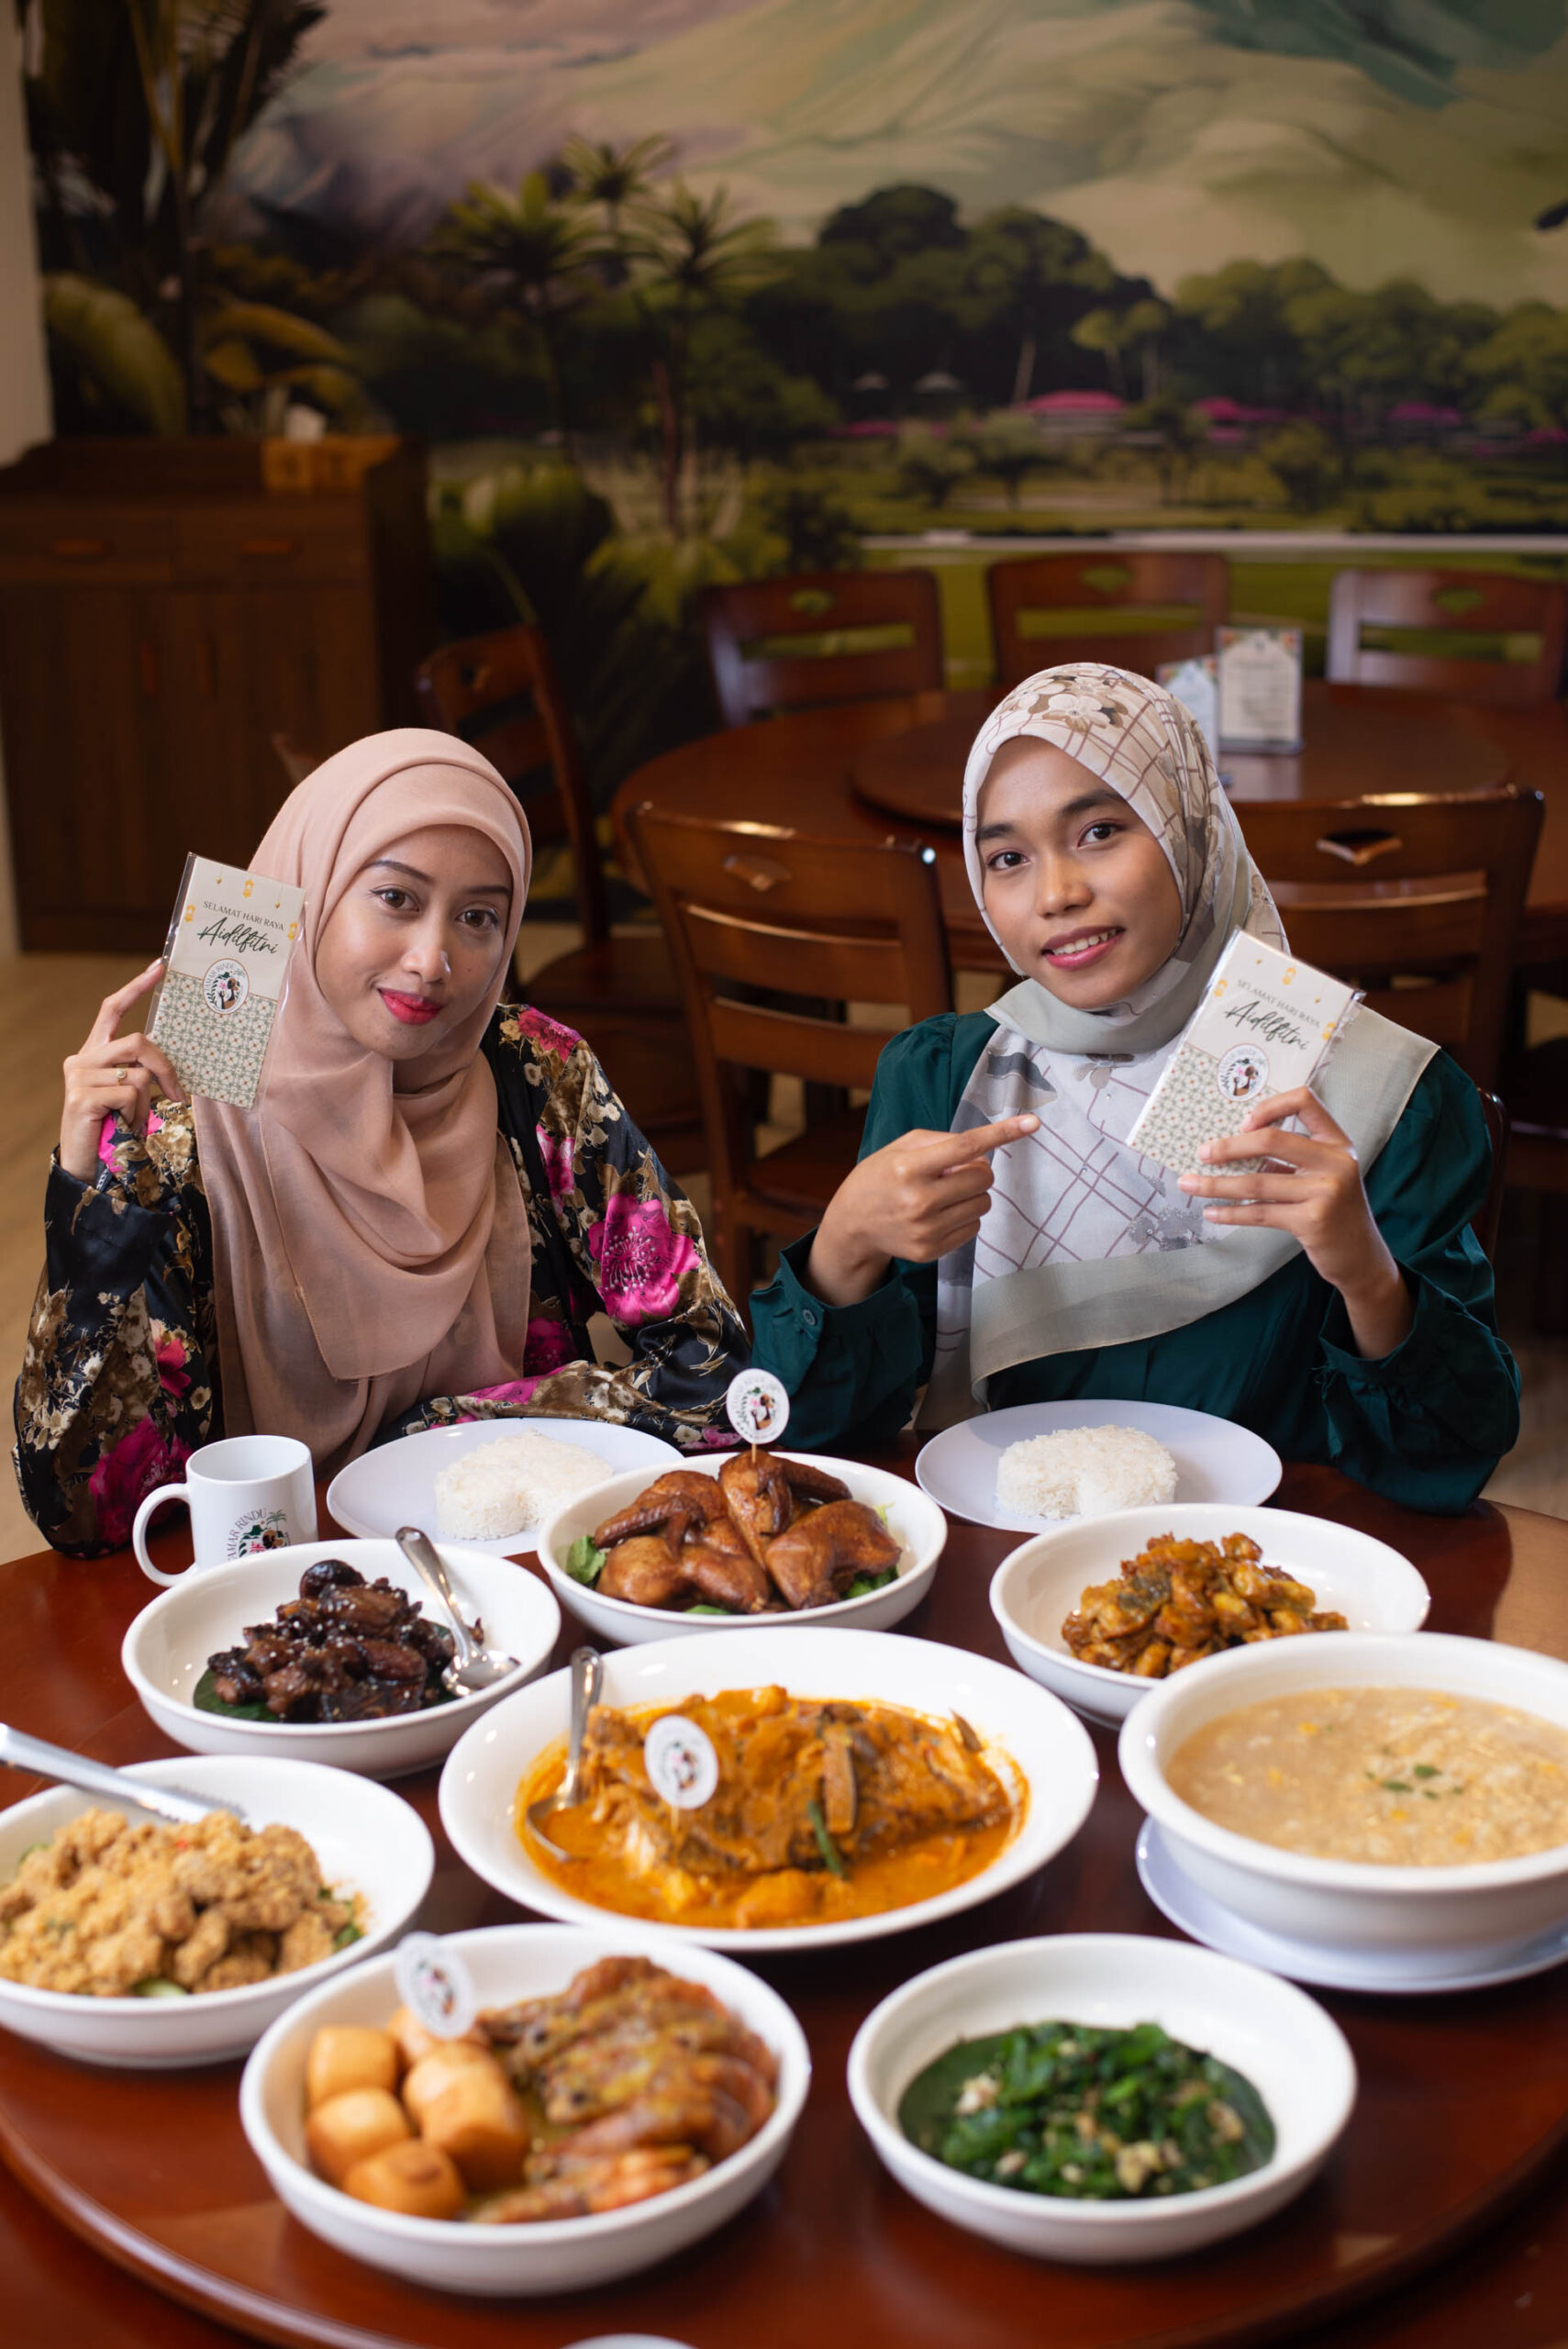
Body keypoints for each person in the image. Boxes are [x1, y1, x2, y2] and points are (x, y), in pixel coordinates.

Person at [751, 663, 1518, 1511]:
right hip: (1008, 1548)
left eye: (1099, 831)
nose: (1057, 894)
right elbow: (810, 1440)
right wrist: (845, 1245)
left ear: (1191, 830)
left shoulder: (1382, 1096)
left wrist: (1366, 1276)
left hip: (1270, 1555)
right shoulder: (946, 1079)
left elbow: (1450, 1460)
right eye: (1007, 858)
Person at [17, 730, 749, 1556]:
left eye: (478, 918)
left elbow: (712, 1370)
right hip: (285, 1592)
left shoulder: (534, 1071)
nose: (433, 960)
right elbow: (92, 1516)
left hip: (526, 1565)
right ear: (312, 892)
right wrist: (89, 1202)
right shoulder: (180, 1118)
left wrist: (442, 1431)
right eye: (396, 898)